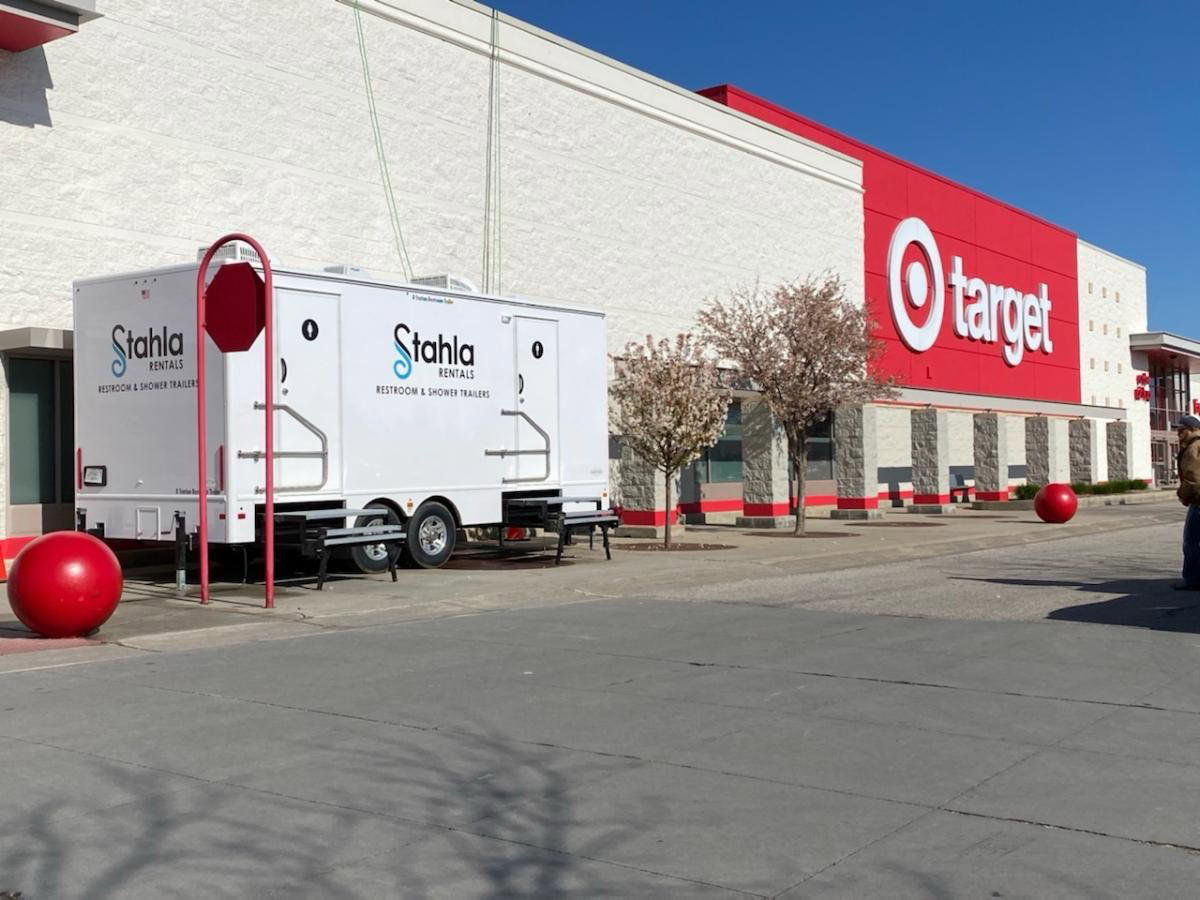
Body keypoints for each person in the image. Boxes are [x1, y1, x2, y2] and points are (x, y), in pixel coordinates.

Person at [1176, 414, 1200, 589]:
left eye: (1181, 430)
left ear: (1191, 429)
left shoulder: (1194, 447)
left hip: (1198, 501)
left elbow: (1193, 478)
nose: (1178, 434)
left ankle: (1192, 581)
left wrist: (1183, 495)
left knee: (1191, 542)